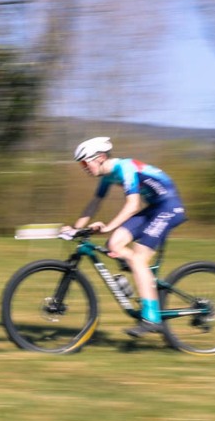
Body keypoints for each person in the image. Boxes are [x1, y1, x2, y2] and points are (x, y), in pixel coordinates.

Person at [63, 136, 187, 338]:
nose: (83, 168)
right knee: (114, 244)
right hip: (154, 208)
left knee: (137, 258)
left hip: (169, 207)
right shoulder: (106, 177)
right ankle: (143, 280)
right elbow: (95, 203)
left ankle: (151, 317)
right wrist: (75, 229)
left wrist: (107, 227)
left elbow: (133, 205)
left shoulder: (125, 167)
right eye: (81, 165)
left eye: (85, 163)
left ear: (100, 158)